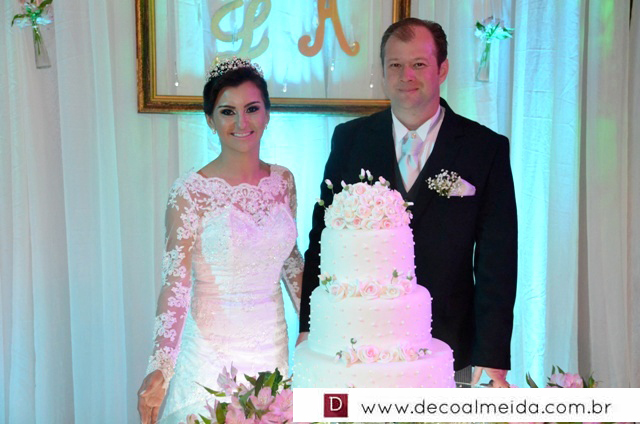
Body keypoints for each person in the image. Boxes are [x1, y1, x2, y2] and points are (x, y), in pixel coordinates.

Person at [297, 18, 517, 388]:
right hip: (355, 348)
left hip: (451, 345)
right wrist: (309, 324)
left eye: (418, 64)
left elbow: (498, 258)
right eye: (395, 65)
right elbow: (321, 239)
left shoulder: (485, 148)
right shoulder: (350, 140)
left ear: (442, 69)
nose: (406, 75)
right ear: (383, 72)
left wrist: (492, 354)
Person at [138, 57, 303, 424]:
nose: (241, 122)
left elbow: (290, 261)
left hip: (272, 350)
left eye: (252, 109)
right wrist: (161, 366)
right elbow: (176, 285)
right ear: (210, 120)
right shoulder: (190, 191)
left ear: (267, 114)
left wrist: (315, 328)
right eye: (228, 112)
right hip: (210, 356)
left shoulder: (283, 181)